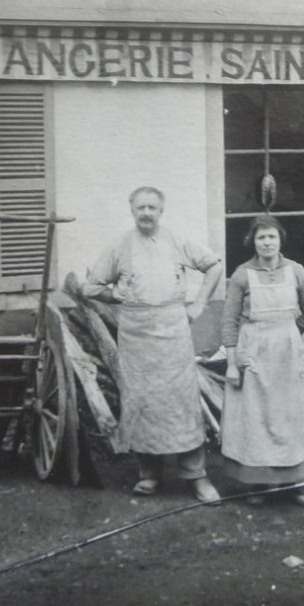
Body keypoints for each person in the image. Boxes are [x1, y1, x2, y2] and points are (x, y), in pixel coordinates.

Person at [85, 186, 223, 503]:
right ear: (132, 210)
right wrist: (113, 295)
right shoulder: (119, 246)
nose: (146, 212)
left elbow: (214, 265)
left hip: (173, 330)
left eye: (152, 207)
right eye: (141, 207)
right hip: (135, 335)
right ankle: (149, 474)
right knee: (141, 401)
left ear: (161, 211)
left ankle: (196, 476)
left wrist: (199, 304)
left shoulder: (177, 240)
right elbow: (92, 287)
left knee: (181, 402)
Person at [220, 214, 304, 506]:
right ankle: (257, 485)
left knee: (289, 418)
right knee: (257, 419)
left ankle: (294, 484)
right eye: (261, 237)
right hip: (253, 355)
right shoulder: (241, 275)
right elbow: (229, 323)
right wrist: (232, 362)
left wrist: (286, 333)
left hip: (287, 356)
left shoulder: (297, 271)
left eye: (271, 237)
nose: (266, 242)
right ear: (253, 241)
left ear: (280, 240)